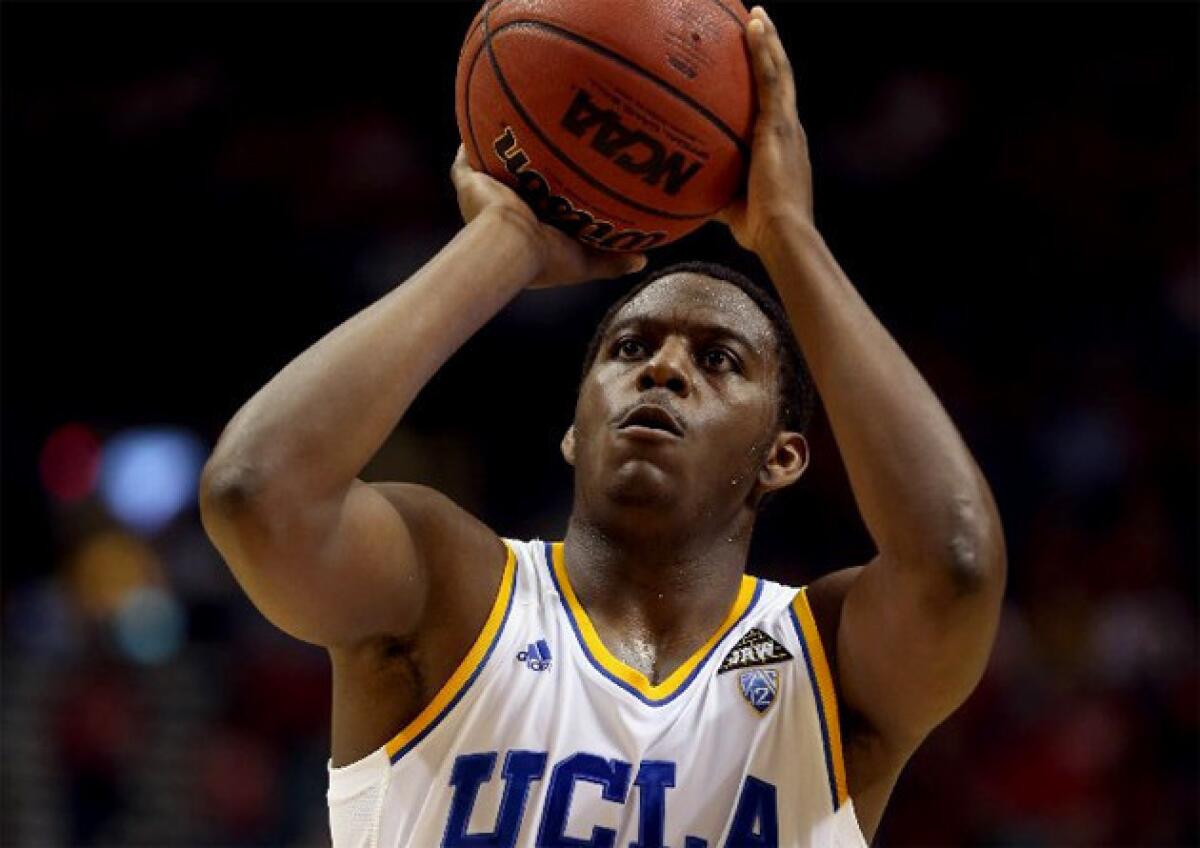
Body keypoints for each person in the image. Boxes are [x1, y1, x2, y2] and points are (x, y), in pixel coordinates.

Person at [199, 7, 1005, 846]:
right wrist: (503, 243)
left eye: (721, 360)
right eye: (629, 347)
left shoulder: (827, 671)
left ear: (783, 456)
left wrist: (789, 236)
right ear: (575, 431)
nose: (664, 369)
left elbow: (954, 563)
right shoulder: (455, 597)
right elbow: (257, 491)